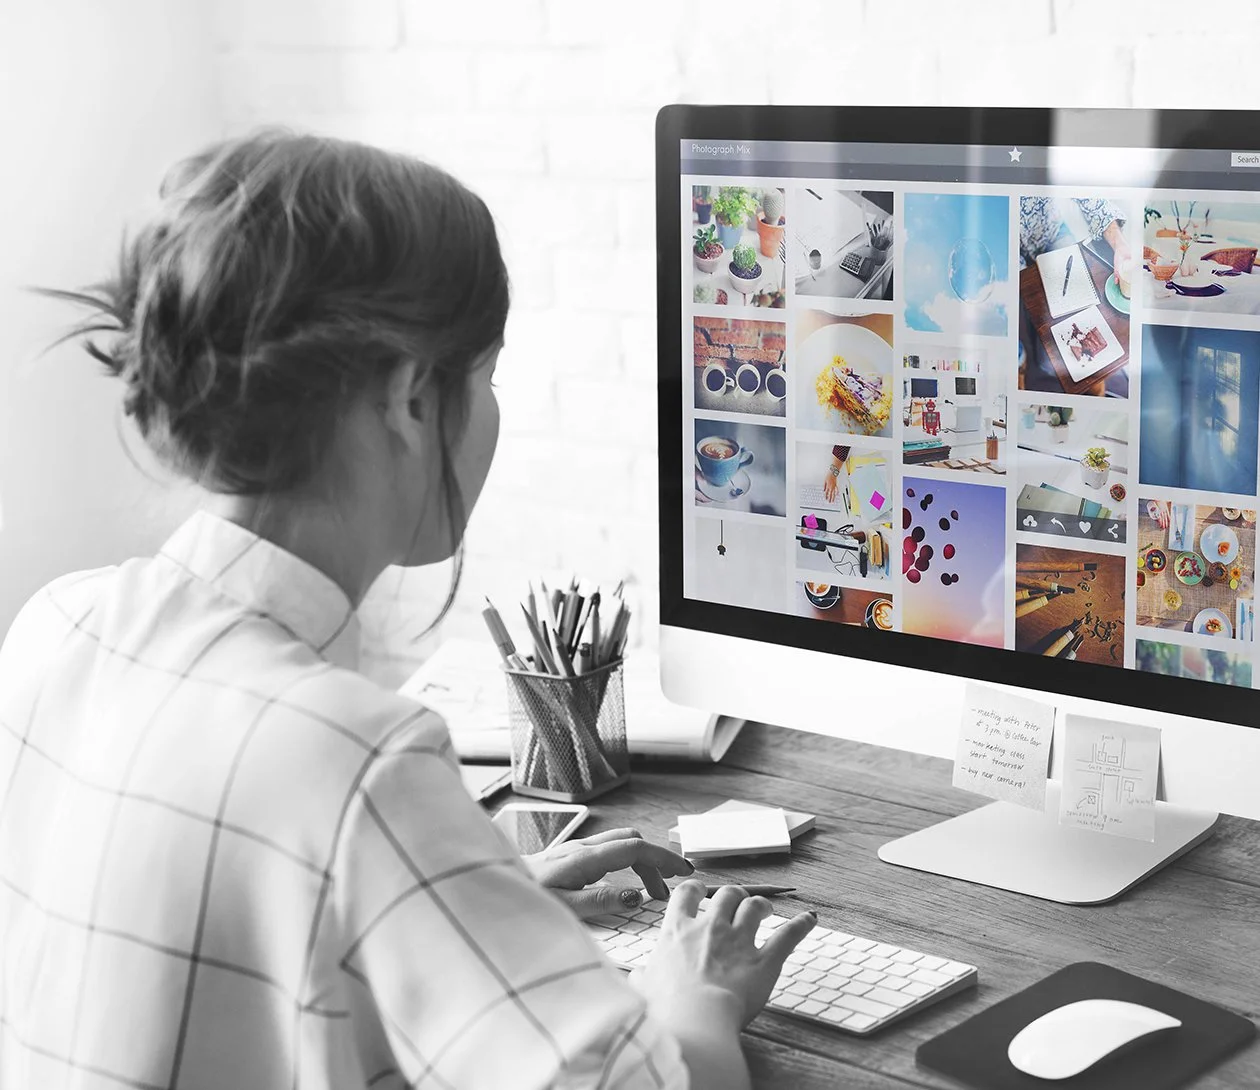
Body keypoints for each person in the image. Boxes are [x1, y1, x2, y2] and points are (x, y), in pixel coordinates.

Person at [0, 132, 816, 1090]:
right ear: (407, 398)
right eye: (486, 375)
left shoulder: (57, 626)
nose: (491, 408)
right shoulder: (357, 758)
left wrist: (462, 902)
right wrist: (698, 996)